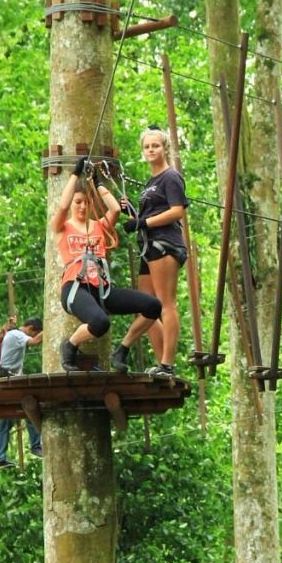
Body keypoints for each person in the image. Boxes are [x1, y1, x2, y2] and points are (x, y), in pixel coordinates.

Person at [52, 157, 163, 374]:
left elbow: (114, 210)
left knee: (153, 306)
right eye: (78, 202)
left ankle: (122, 350)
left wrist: (99, 183)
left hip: (102, 290)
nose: (82, 206)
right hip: (75, 288)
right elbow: (63, 205)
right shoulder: (62, 227)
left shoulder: (98, 226)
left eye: (86, 202)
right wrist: (75, 174)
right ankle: (70, 345)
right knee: (100, 323)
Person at [121, 126, 189, 378]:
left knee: (164, 304)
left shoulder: (170, 177)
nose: (151, 150)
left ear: (165, 148)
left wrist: (143, 223)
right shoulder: (151, 182)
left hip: (165, 244)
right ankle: (161, 363)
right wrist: (133, 214)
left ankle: (167, 364)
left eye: (155, 146)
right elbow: (150, 214)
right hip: (149, 245)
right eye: (147, 147)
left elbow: (176, 211)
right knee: (146, 307)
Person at [0, 317, 43, 468]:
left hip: (9, 377)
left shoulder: (13, 333)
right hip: (8, 378)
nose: (33, 336)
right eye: (34, 333)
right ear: (31, 328)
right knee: (29, 410)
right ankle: (35, 445)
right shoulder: (17, 335)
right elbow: (35, 342)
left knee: (7, 418)